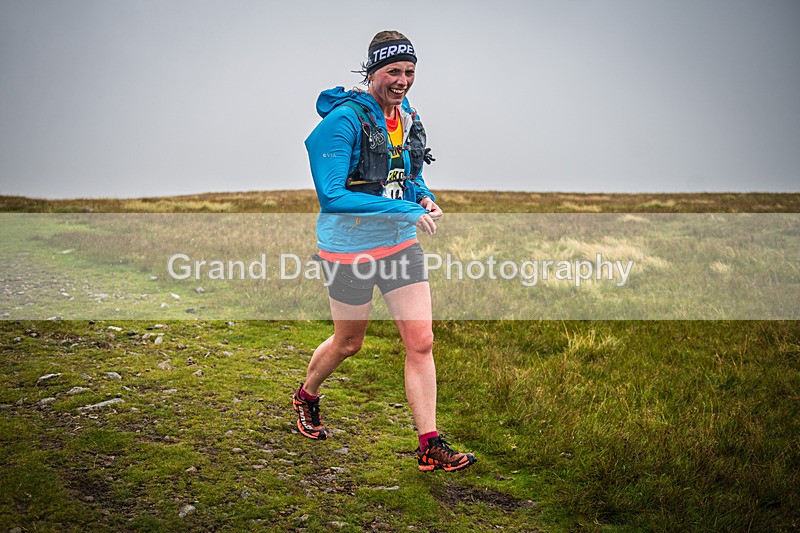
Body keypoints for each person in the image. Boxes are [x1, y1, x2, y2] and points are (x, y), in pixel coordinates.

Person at [293, 30, 476, 472]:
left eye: (410, 72)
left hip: (398, 245)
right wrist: (405, 209)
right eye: (393, 71)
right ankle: (306, 396)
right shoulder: (343, 121)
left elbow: (405, 174)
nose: (402, 80)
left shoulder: (406, 115)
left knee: (421, 342)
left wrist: (423, 196)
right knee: (348, 342)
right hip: (348, 249)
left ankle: (429, 444)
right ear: (372, 71)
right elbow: (332, 196)